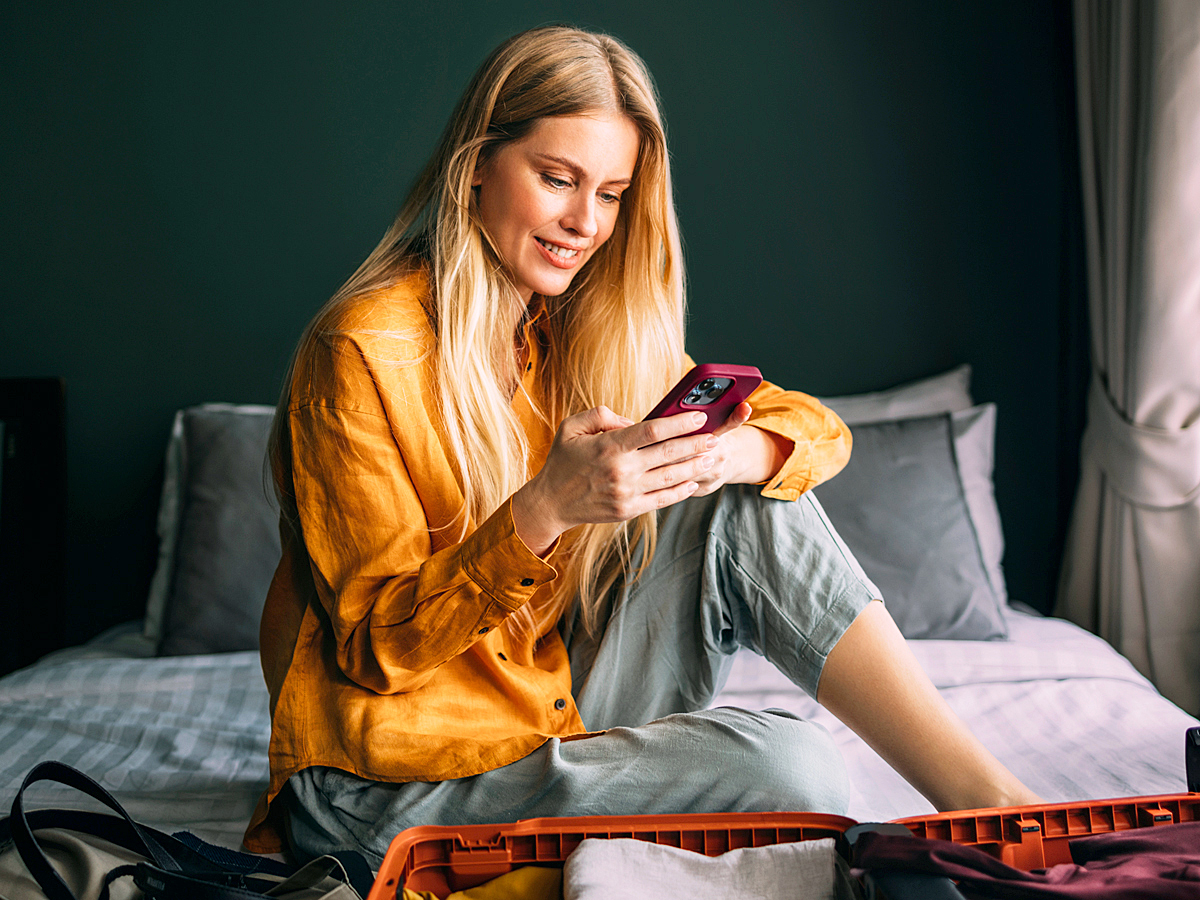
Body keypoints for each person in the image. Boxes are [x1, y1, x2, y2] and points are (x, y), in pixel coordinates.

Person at [242, 25, 1039, 864]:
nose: (585, 223)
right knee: (798, 765)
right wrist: (544, 508)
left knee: (736, 490)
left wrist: (733, 455)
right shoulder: (361, 348)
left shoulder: (566, 338)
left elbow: (815, 430)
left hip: (541, 713)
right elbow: (376, 649)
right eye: (558, 179)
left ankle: (992, 805)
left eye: (613, 194)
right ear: (475, 164)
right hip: (389, 784)